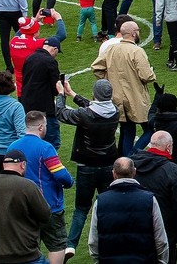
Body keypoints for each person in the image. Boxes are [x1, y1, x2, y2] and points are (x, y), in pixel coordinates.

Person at [56, 78, 121, 249]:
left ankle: (70, 245)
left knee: (81, 209)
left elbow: (61, 113)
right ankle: (112, 242)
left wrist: (61, 94)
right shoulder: (115, 111)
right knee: (108, 206)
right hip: (108, 164)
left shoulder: (84, 115)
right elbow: (93, 107)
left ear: (95, 94)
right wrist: (73, 94)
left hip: (86, 166)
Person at [11, 111, 75, 264]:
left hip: (23, 207)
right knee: (57, 244)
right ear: (40, 127)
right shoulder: (45, 148)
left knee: (30, 246)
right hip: (49, 206)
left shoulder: (12, 148)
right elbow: (60, 175)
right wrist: (69, 182)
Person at [87, 156, 171, 264]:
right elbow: (160, 239)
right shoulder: (149, 199)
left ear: (114, 174)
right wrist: (162, 261)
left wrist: (99, 260)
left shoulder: (101, 201)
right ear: (134, 172)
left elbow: (93, 241)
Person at [91, 19, 158, 155]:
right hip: (135, 96)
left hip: (116, 98)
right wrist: (151, 71)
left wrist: (108, 82)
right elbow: (146, 76)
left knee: (128, 130)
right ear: (133, 33)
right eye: (138, 31)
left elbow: (96, 67)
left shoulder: (111, 49)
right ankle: (133, 155)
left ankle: (125, 161)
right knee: (150, 128)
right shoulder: (137, 51)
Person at [0, 147, 52, 264]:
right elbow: (45, 215)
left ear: (4, 164)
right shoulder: (27, 186)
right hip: (25, 255)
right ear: (23, 165)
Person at [131, 130, 177, 264]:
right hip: (166, 230)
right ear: (168, 147)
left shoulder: (131, 166)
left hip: (136, 228)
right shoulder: (173, 171)